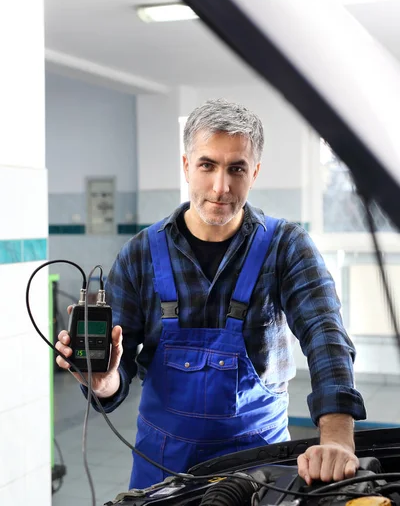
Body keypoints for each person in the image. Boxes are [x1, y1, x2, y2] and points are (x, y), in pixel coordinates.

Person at [56, 98, 366, 490]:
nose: (221, 187)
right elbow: (114, 378)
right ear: (187, 166)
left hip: (261, 467)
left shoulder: (286, 247)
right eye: (207, 165)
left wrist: (337, 437)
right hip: (161, 469)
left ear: (254, 172)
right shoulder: (140, 254)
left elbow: (326, 336)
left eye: (236, 168)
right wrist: (102, 381)